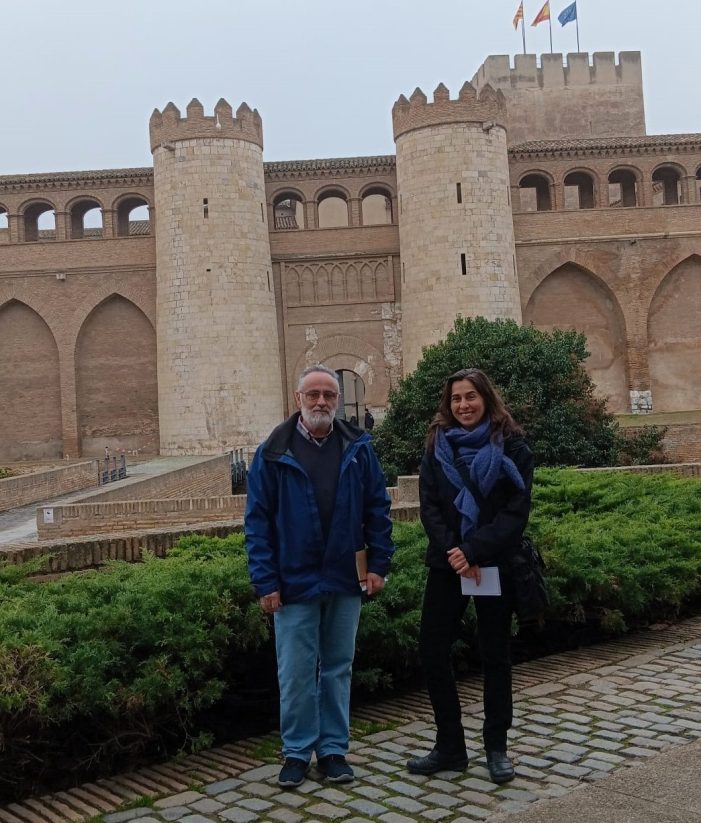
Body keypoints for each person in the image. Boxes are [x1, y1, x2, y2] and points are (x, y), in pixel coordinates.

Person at [245, 364, 395, 789]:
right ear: (298, 400)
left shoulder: (358, 448)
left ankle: (332, 750)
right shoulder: (273, 452)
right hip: (293, 581)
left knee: (337, 668)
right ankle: (295, 752)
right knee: (294, 672)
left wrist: (379, 565)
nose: (321, 402)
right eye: (313, 395)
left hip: (345, 578)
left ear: (338, 400)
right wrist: (266, 581)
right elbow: (257, 522)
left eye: (329, 395)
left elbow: (376, 511)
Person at [406, 368, 534, 784]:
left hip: (492, 560)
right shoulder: (436, 446)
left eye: (470, 397)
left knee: (495, 654)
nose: (463, 405)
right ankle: (450, 746)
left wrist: (474, 549)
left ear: (486, 399)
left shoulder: (513, 447)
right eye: (456, 398)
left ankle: (496, 746)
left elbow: (515, 512)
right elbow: (429, 506)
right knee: (431, 648)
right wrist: (455, 552)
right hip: (448, 563)